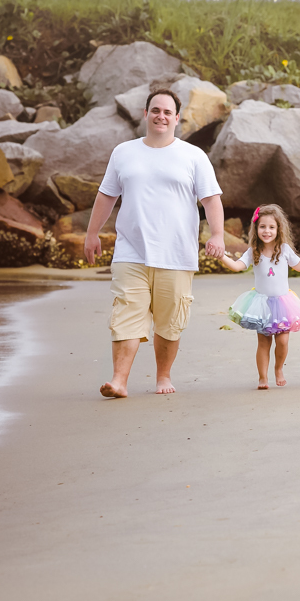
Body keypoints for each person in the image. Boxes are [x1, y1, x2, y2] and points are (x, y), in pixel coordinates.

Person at [84, 88, 225, 397]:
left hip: (176, 254)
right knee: (126, 314)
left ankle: (163, 376)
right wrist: (92, 233)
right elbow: (107, 195)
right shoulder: (124, 152)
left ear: (177, 118)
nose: (161, 116)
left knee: (169, 322)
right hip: (130, 251)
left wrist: (217, 234)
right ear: (145, 114)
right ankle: (119, 380)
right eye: (155, 110)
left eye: (167, 112)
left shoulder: (193, 156)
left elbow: (211, 199)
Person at [220, 204, 300, 389]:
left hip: (283, 303)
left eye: (271, 227)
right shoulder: (253, 251)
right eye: (262, 227)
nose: (267, 231)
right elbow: (237, 266)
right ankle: (262, 378)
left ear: (278, 229)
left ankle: (279, 368)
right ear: (256, 228)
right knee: (263, 342)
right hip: (262, 305)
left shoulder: (284, 249)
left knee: (282, 341)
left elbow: (299, 266)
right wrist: (221, 256)